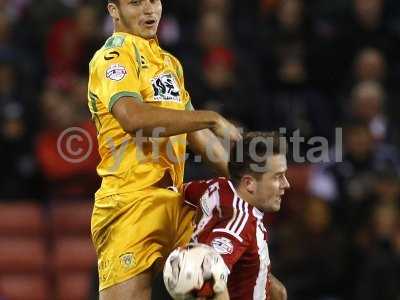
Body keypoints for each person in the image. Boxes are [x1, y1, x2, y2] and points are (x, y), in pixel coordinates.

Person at [88, 1, 241, 299]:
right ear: (113, 10)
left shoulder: (169, 63)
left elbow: (200, 138)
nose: (149, 10)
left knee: (243, 280)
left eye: (154, 0)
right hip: (129, 203)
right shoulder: (110, 58)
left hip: (176, 201)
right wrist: (210, 117)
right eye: (135, 2)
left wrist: (247, 178)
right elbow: (133, 118)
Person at [184, 132, 290, 300]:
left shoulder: (218, 186)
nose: (286, 184)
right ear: (249, 183)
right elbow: (206, 279)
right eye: (278, 177)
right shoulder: (239, 223)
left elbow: (178, 195)